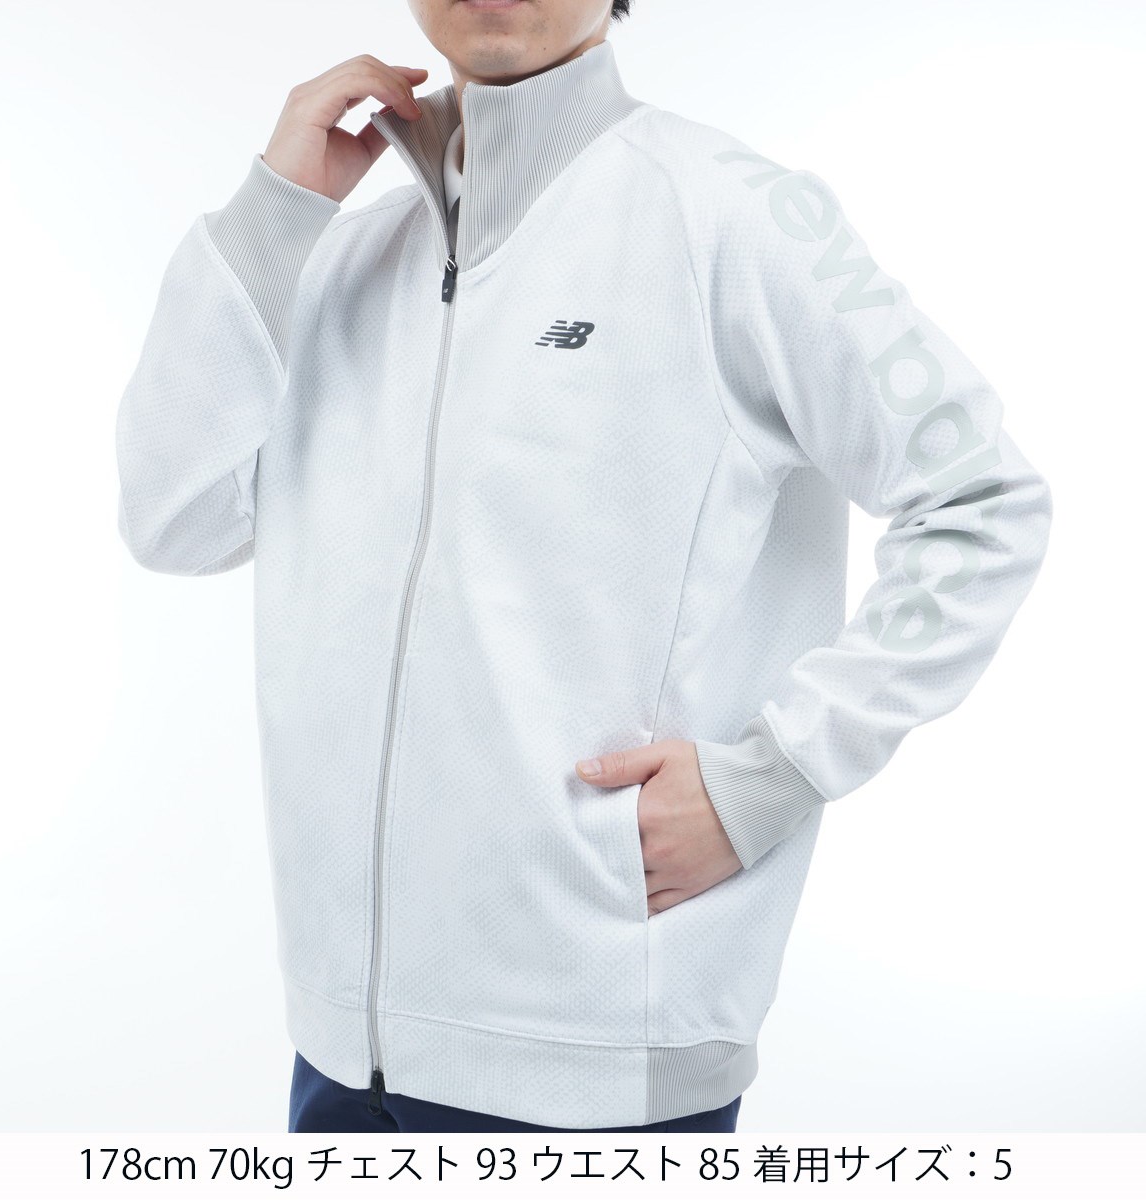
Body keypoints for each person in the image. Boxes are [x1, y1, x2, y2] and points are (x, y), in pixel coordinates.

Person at [114, 0, 1053, 1134]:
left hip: (602, 1054)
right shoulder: (335, 256)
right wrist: (274, 214)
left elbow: (981, 499)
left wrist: (774, 773)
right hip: (338, 1052)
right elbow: (175, 518)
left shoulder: (733, 214)